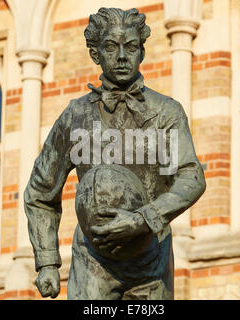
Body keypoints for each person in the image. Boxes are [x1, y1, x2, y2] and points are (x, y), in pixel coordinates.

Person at [24, 7, 206, 300]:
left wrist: (144, 218)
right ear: (96, 54)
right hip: (92, 261)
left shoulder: (165, 113)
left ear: (142, 52)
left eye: (131, 47)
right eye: (111, 47)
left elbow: (190, 178)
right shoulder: (76, 116)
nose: (122, 56)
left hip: (151, 258)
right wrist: (46, 261)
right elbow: (40, 192)